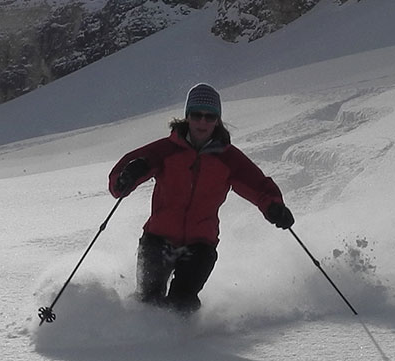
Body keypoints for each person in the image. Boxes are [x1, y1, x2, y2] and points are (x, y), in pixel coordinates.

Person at [108, 83, 295, 314]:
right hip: (158, 239)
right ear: (187, 117)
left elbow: (258, 186)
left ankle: (180, 344)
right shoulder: (166, 150)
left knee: (182, 302)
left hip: (200, 244)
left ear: (218, 120)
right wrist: (126, 177)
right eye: (197, 115)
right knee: (148, 301)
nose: (202, 122)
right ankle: (137, 337)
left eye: (210, 116)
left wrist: (274, 207)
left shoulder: (229, 159)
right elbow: (123, 174)